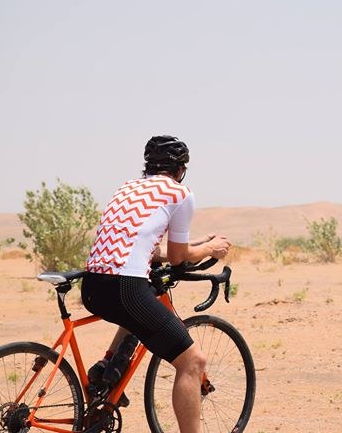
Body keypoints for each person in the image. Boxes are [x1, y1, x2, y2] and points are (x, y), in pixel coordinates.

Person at [81, 135, 231, 433]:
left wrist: (196, 243)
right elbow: (177, 258)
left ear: (148, 166)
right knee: (192, 362)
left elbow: (145, 246)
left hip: (92, 286)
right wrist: (210, 249)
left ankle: (106, 368)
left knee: (138, 311)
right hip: (125, 288)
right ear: (180, 170)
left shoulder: (127, 187)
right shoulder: (179, 192)